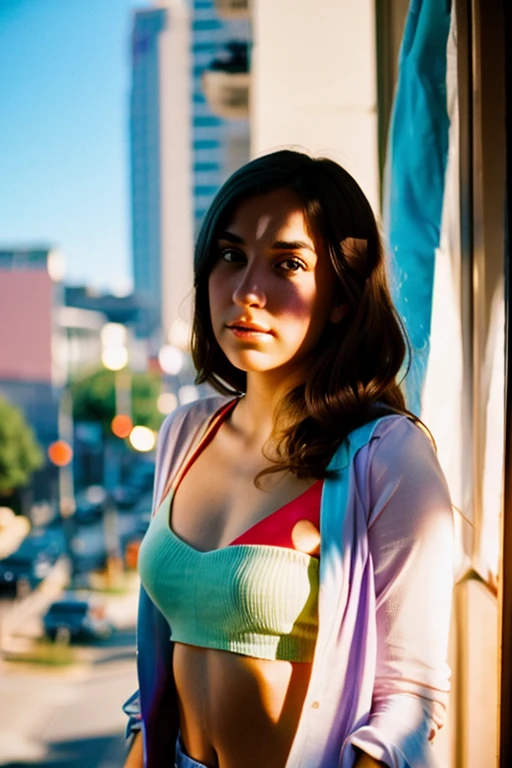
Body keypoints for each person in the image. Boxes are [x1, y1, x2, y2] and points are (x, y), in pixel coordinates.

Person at [122, 149, 454, 768]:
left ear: (341, 298)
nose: (248, 292)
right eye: (230, 256)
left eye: (288, 264)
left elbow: (409, 697)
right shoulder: (185, 433)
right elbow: (155, 675)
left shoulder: (387, 456)